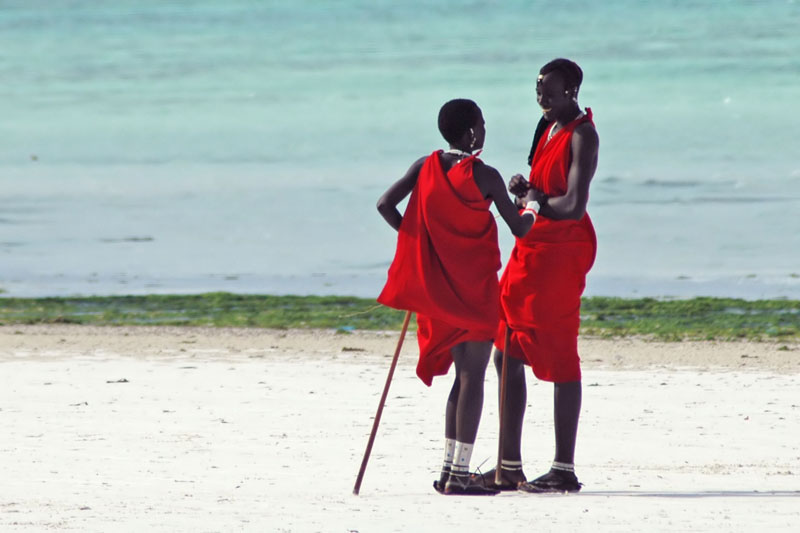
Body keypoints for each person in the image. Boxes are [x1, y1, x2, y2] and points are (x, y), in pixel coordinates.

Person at [376, 98, 541, 495]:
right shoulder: (486, 176)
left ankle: (451, 471)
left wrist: (420, 243)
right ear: (470, 132)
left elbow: (385, 205)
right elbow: (519, 228)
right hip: (474, 291)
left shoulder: (425, 165)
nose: (485, 130)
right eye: (482, 124)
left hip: (438, 294)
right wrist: (532, 203)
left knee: (460, 379)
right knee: (473, 377)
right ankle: (460, 475)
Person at [484, 58, 599, 493]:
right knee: (507, 348)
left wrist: (534, 200)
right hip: (531, 245)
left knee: (560, 352)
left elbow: (572, 207)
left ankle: (564, 469)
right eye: (538, 93)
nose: (542, 100)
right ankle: (509, 465)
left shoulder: (583, 135)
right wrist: (525, 190)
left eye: (550, 93)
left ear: (571, 90)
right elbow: (542, 189)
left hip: (561, 251)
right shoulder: (545, 126)